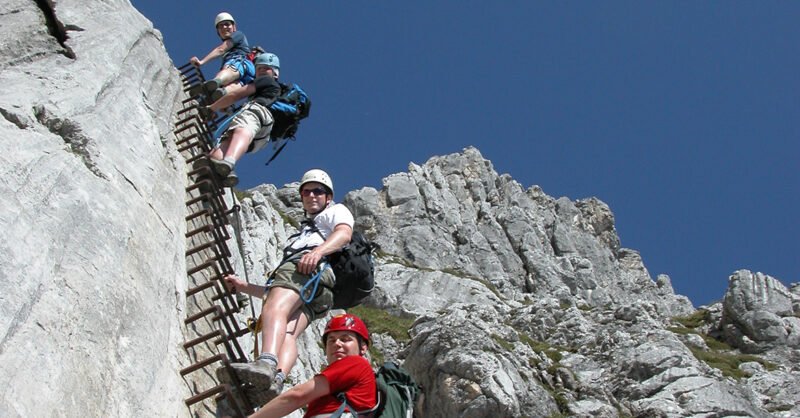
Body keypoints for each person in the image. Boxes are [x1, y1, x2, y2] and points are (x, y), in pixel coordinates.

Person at [222, 169, 354, 404]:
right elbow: (275, 291)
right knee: (289, 333)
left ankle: (266, 363)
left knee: (274, 310)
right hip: (319, 290)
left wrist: (317, 252)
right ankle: (278, 379)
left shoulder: (336, 211)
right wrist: (243, 287)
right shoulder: (308, 229)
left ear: (328, 196)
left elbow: (344, 234)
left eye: (318, 191)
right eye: (306, 191)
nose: (311, 195)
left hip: (307, 270)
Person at [245, 313, 377, 418]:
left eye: (345, 339)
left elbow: (297, 396)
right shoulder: (351, 378)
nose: (337, 343)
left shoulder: (356, 364)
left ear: (363, 347)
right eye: (331, 340)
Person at [203, 52, 281, 187]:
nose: (261, 70)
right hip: (263, 132)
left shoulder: (265, 81)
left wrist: (212, 107)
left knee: (241, 130)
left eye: (266, 68)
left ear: (275, 73)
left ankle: (229, 163)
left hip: (255, 114)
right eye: (259, 68)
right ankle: (214, 172)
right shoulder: (274, 90)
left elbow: (236, 94)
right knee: (226, 141)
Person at [190, 12, 255, 103]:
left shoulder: (238, 35)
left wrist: (201, 62)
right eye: (220, 26)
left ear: (234, 27)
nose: (224, 27)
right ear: (218, 32)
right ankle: (223, 93)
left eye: (227, 24)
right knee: (237, 84)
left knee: (229, 69)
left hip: (239, 62)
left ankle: (216, 82)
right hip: (249, 73)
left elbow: (221, 49)